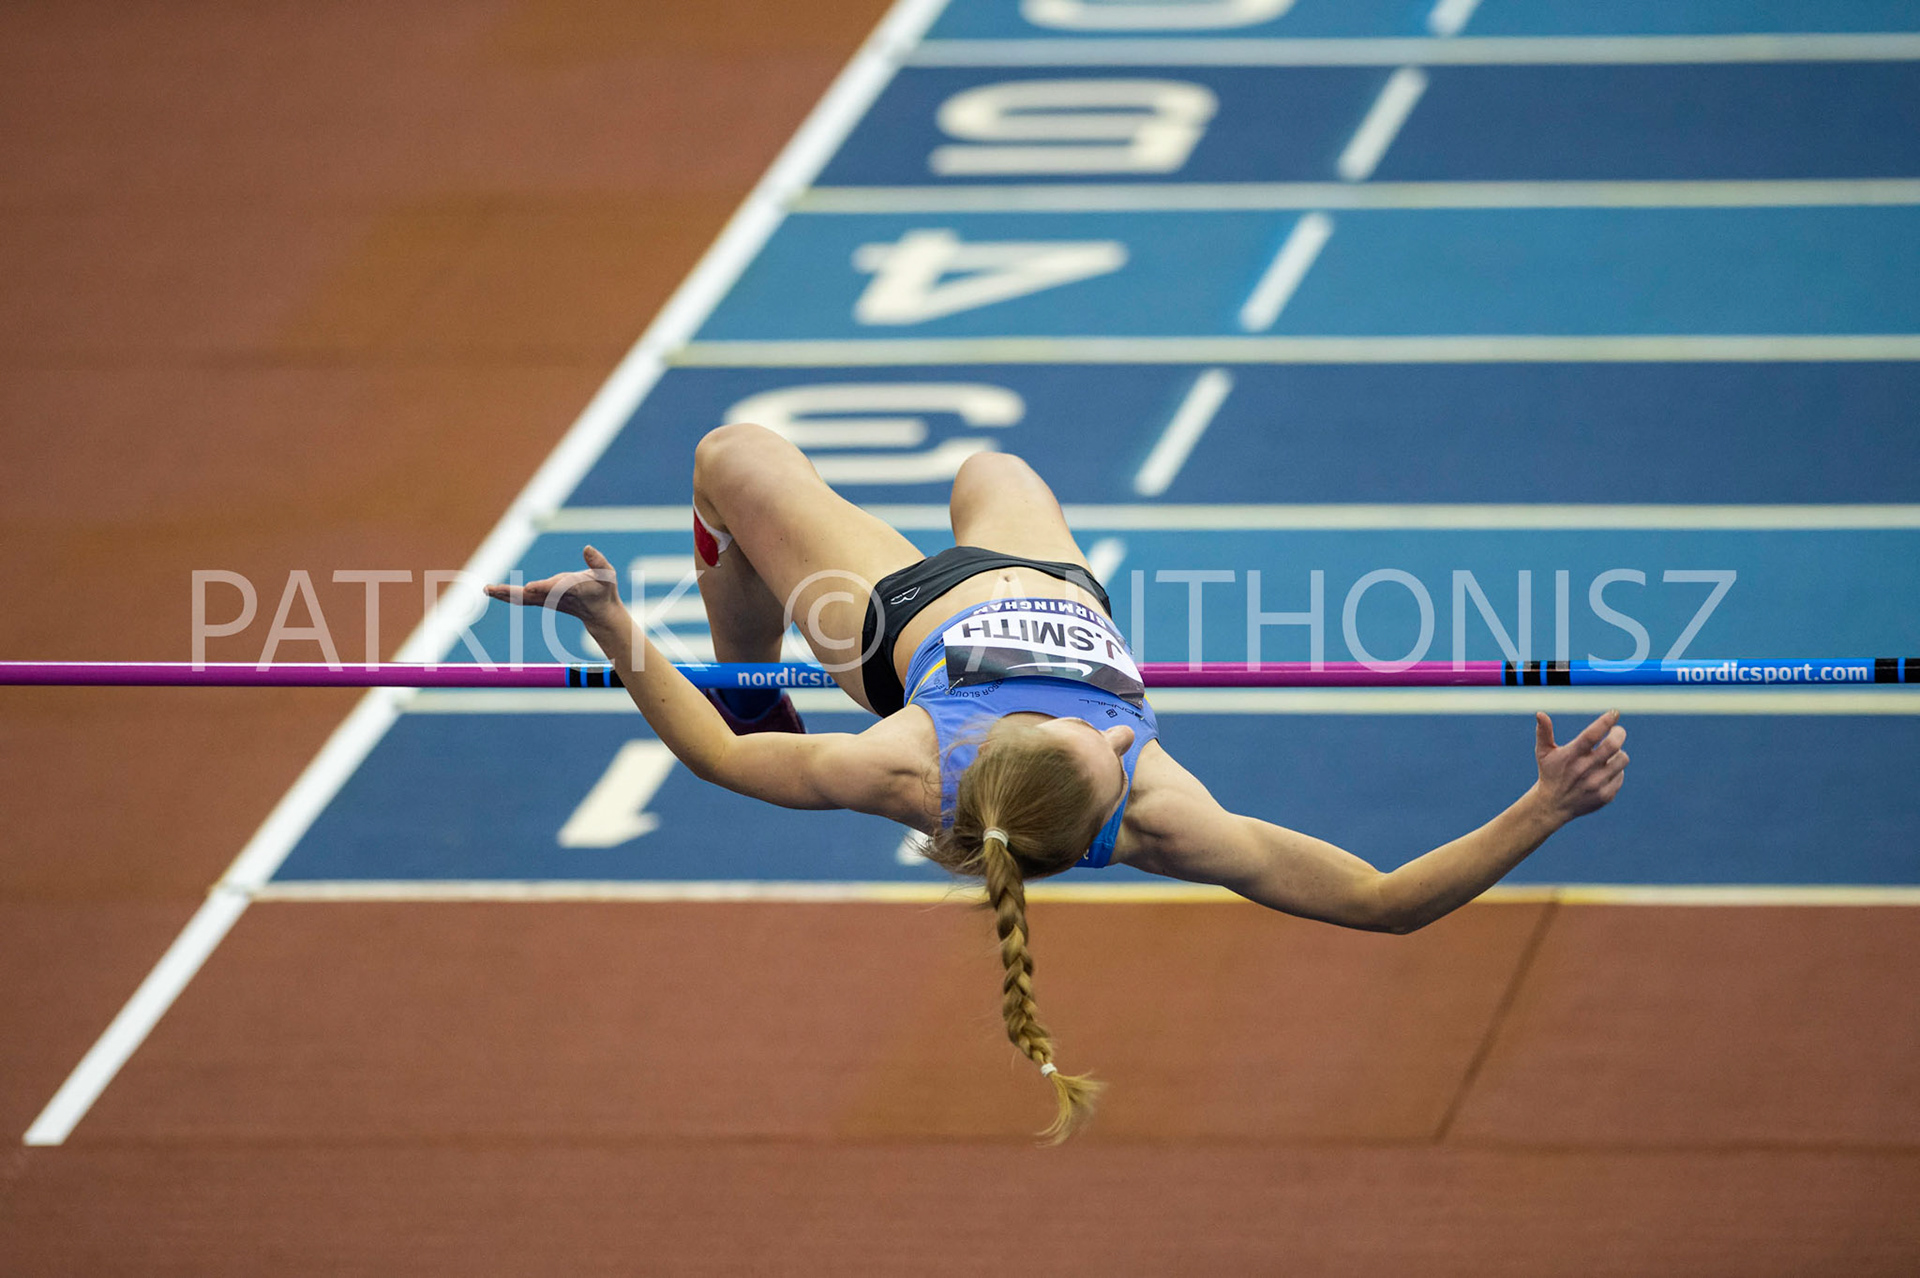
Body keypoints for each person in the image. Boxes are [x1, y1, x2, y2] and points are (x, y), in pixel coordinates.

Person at [484, 423, 1630, 1142]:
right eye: (1118, 747)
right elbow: (1387, 901)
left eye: (1107, 742)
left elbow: (724, 762)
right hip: (1045, 580)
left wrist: (619, 629)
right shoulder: (1163, 811)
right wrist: (1548, 805)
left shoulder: (913, 759)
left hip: (896, 626)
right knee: (996, 466)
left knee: (730, 462)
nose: (1126, 740)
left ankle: (750, 674)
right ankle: (784, 641)